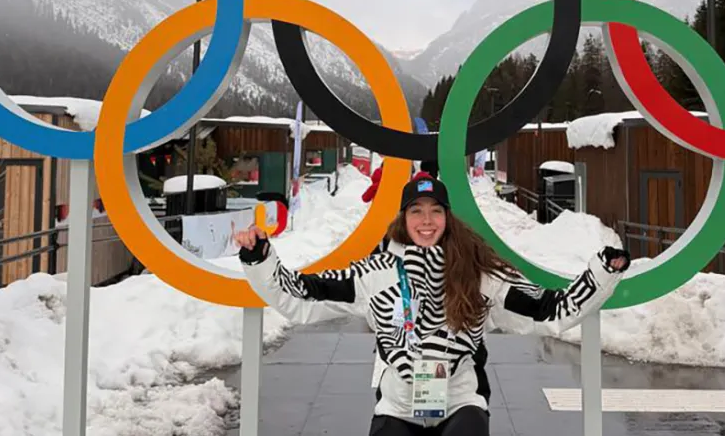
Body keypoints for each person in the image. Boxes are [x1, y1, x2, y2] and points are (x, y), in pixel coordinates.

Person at [233, 172, 631, 435]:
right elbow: (297, 295)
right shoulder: (375, 273)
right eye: (417, 212)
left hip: (461, 401)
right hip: (397, 405)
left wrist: (602, 272)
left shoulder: (478, 276)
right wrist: (259, 257)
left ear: (447, 217)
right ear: (403, 218)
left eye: (435, 211)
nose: (426, 221)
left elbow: (551, 311)